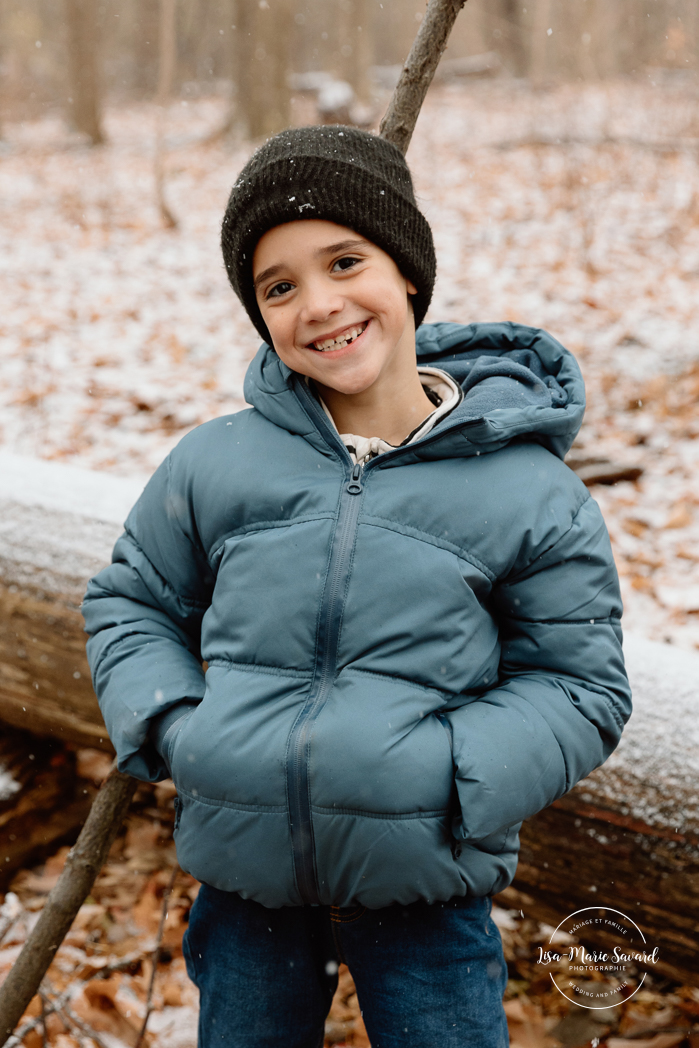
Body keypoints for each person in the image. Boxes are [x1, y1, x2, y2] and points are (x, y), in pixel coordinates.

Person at [82, 126, 632, 1048]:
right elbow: (132, 598)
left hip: (424, 888)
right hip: (246, 889)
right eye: (279, 286)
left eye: (345, 261)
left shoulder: (527, 489)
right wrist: (183, 731)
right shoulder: (217, 463)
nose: (320, 305)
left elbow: (580, 685)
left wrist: (446, 775)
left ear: (408, 271)